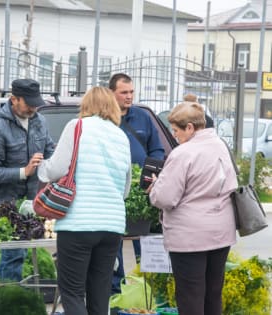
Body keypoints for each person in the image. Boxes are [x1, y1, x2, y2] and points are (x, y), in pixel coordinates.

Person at [38, 86, 131, 315]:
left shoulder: (77, 126)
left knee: (72, 293)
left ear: (87, 105)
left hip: (78, 224)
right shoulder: (121, 137)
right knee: (100, 296)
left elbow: (57, 168)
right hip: (112, 226)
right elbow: (126, 189)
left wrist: (41, 168)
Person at [147, 102, 237, 315]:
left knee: (190, 295)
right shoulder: (220, 146)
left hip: (189, 237)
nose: (174, 135)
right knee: (213, 293)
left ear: (189, 127)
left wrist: (154, 188)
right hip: (221, 232)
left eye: (176, 131)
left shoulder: (183, 153)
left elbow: (165, 198)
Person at [0, 78, 55, 282]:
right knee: (13, 256)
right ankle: (8, 298)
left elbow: (50, 151)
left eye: (36, 103)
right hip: (4, 205)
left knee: (22, 253)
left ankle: (17, 296)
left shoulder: (39, 121)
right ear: (14, 99)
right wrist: (25, 171)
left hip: (29, 202)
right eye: (28, 103)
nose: (33, 108)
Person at [108, 73, 164, 294]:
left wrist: (153, 173)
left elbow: (157, 149)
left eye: (131, 92)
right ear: (112, 93)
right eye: (124, 92)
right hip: (115, 191)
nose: (129, 97)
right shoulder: (105, 119)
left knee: (147, 241)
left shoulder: (142, 117)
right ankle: (115, 290)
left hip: (144, 190)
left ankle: (150, 288)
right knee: (115, 240)